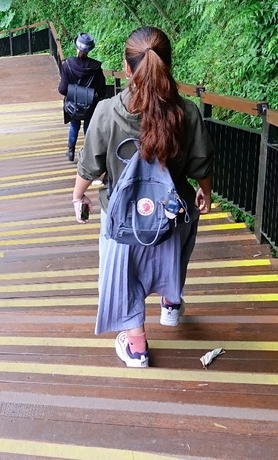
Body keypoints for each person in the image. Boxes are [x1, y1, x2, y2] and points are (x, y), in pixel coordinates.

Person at [70, 26, 213, 368]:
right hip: (170, 211)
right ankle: (170, 304)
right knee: (177, 241)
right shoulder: (187, 112)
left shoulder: (106, 112)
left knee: (126, 270)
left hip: (123, 219)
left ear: (126, 67)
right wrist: (205, 194)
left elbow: (89, 166)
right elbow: (201, 164)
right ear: (168, 65)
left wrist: (78, 197)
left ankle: (136, 346)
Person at [58, 32, 106, 163]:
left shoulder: (68, 64)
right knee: (88, 127)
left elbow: (62, 89)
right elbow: (102, 89)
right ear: (90, 49)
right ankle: (89, 154)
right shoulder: (96, 67)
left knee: (74, 125)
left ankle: (70, 150)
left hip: (73, 105)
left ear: (76, 47)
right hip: (90, 105)